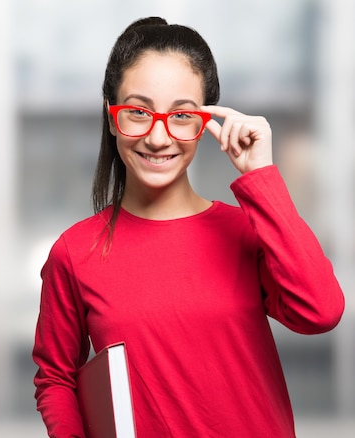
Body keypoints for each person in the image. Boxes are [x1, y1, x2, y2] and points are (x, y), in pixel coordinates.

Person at [32, 16, 345, 437]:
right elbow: (56, 378)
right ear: (111, 118)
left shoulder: (246, 231)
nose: (159, 138)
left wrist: (262, 177)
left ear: (206, 123)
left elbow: (321, 312)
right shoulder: (75, 252)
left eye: (182, 115)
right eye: (138, 112)